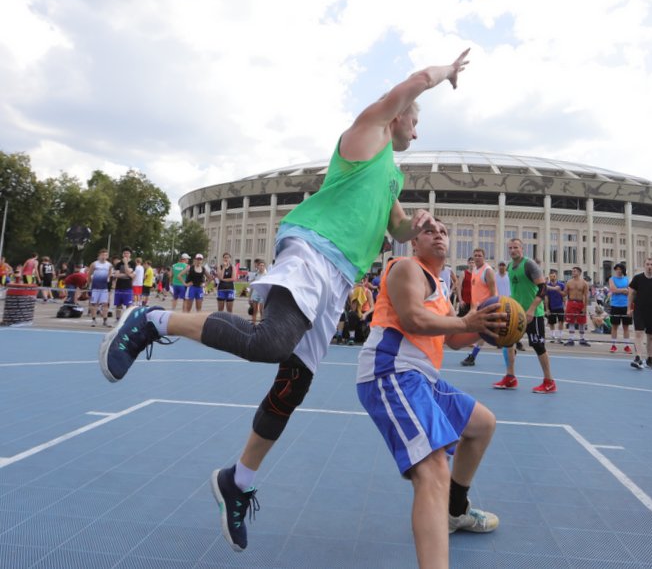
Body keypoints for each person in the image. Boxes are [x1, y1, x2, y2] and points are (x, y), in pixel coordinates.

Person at [99, 50, 471, 552]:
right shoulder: (367, 133)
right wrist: (444, 73)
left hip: (338, 279)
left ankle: (239, 480)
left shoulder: (390, 176)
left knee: (292, 382)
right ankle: (153, 318)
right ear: (400, 113)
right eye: (416, 120)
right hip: (314, 248)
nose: (416, 132)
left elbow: (397, 226)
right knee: (271, 342)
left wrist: (416, 223)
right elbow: (413, 82)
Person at [357, 220, 503, 567]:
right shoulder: (407, 268)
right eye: (429, 230)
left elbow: (453, 338)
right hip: (392, 370)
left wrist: (488, 328)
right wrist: (468, 322)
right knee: (434, 469)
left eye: (443, 231)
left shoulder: (437, 285)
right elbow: (412, 320)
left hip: (422, 376)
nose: (438, 233)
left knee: (482, 425)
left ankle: (454, 512)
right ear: (414, 242)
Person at [492, 237, 557, 392]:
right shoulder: (509, 266)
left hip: (533, 313)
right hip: (516, 313)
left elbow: (543, 288)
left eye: (516, 247)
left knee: (538, 345)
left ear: (522, 249)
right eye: (510, 248)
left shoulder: (529, 265)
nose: (513, 250)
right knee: (508, 342)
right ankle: (510, 377)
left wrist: (532, 309)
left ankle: (549, 381)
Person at [461, 248, 497, 366]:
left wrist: (492, 308)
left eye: (479, 255)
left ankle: (473, 356)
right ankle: (510, 348)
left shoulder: (488, 271)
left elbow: (493, 292)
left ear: (484, 257)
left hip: (487, 307)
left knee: (483, 333)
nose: (477, 257)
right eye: (475, 255)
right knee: (493, 334)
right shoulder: (475, 270)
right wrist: (472, 307)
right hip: (477, 308)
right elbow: (475, 291)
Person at [607, 264, 632, 353]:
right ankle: (613, 345)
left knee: (626, 327)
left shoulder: (627, 279)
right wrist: (623, 290)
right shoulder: (612, 279)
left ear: (623, 270)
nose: (618, 271)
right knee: (614, 326)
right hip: (615, 305)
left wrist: (621, 290)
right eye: (617, 269)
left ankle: (626, 346)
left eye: (620, 269)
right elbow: (613, 290)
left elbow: (630, 291)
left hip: (625, 305)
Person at [563, 266, 590, 346]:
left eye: (574, 271)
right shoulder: (568, 282)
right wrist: (557, 290)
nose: (573, 272)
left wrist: (585, 308)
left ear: (579, 273)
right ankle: (571, 339)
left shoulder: (584, 283)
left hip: (580, 302)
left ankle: (582, 339)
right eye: (572, 271)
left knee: (582, 321)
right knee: (570, 321)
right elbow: (565, 293)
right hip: (571, 302)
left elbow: (586, 296)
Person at [87, 249, 113, 327]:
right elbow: (89, 274)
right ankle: (93, 320)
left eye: (106, 255)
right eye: (102, 255)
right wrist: (88, 285)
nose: (104, 257)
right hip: (95, 287)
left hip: (104, 288)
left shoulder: (109, 265)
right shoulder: (94, 264)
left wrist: (108, 279)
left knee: (105, 304)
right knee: (94, 304)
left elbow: (110, 274)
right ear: (99, 255)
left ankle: (105, 320)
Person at [111, 248, 136, 321]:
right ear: (122, 254)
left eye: (127, 253)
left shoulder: (132, 263)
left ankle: (128, 319)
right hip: (119, 286)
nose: (126, 255)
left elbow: (129, 271)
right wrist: (127, 275)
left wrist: (125, 263)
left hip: (128, 287)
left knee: (129, 304)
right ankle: (118, 318)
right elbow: (116, 275)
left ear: (130, 254)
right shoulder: (118, 264)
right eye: (124, 253)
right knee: (118, 305)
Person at [544, 269, 566, 343]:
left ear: (556, 276)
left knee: (561, 321)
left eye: (553, 276)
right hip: (551, 306)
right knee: (551, 322)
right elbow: (546, 297)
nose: (552, 277)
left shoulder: (561, 285)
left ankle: (559, 337)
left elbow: (564, 296)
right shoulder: (547, 286)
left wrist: (565, 305)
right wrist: (547, 308)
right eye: (550, 276)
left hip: (560, 306)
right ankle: (553, 336)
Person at [247, 259, 268, 323]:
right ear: (258, 266)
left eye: (263, 265)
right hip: (255, 294)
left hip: (262, 294)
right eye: (260, 265)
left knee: (262, 310)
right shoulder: (255, 274)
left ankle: (262, 325)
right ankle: (253, 325)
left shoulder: (267, 275)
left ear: (264, 266)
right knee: (254, 311)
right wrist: (249, 297)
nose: (261, 267)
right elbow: (252, 286)